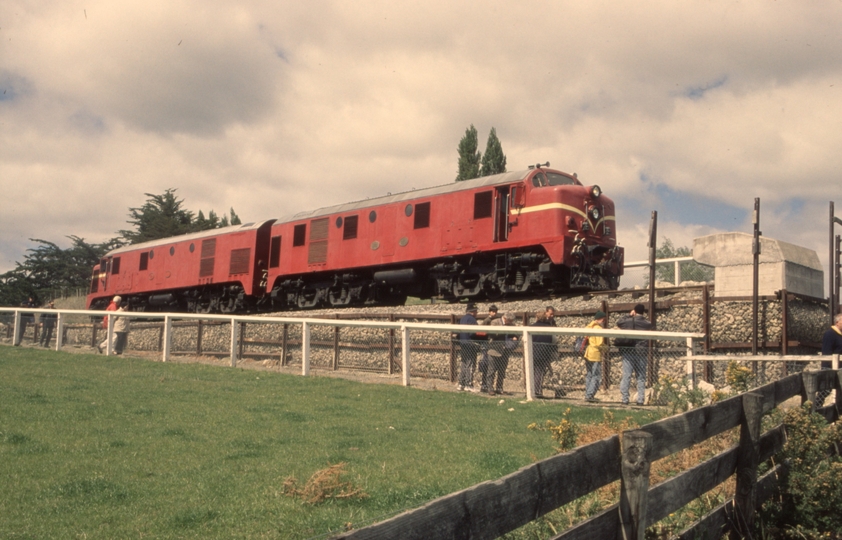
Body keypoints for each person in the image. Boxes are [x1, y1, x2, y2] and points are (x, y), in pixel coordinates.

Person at [616, 304, 655, 405]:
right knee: (641, 377)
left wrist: (629, 315)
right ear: (643, 312)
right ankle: (640, 400)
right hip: (641, 352)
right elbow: (650, 325)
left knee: (627, 376)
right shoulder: (647, 323)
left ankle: (625, 399)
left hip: (628, 351)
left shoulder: (628, 321)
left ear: (634, 311)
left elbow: (619, 322)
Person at [482, 312, 518, 395]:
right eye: (510, 321)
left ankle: (499, 388)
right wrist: (504, 328)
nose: (511, 322)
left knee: (502, 371)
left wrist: (515, 337)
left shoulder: (512, 325)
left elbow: (516, 333)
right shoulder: (495, 322)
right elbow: (493, 334)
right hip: (494, 349)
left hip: (506, 350)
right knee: (491, 370)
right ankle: (490, 388)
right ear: (505, 319)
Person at [530, 306, 557, 398]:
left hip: (532, 352)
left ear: (537, 318)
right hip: (544, 352)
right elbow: (554, 340)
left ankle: (530, 390)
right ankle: (537, 391)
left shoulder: (531, 327)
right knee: (540, 372)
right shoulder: (549, 327)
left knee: (531, 372)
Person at [583, 311, 608, 402]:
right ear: (601, 319)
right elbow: (599, 343)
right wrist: (606, 348)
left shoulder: (589, 326)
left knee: (589, 374)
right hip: (595, 354)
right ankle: (590, 395)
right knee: (596, 375)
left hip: (588, 352)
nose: (604, 322)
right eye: (604, 320)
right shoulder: (599, 329)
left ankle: (587, 394)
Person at [455, 304, 481, 391]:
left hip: (463, 343)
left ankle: (461, 383)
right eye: (476, 311)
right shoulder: (472, 319)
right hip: (470, 344)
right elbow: (473, 333)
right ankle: (468, 384)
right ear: (472, 312)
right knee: (470, 365)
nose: (477, 313)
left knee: (463, 364)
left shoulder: (462, 318)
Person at [477, 305, 499, 393]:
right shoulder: (487, 320)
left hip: (492, 344)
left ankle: (486, 385)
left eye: (495, 311)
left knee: (491, 366)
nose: (494, 313)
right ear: (489, 312)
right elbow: (481, 331)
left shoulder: (496, 320)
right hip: (486, 343)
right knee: (485, 364)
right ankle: (484, 385)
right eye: (493, 311)